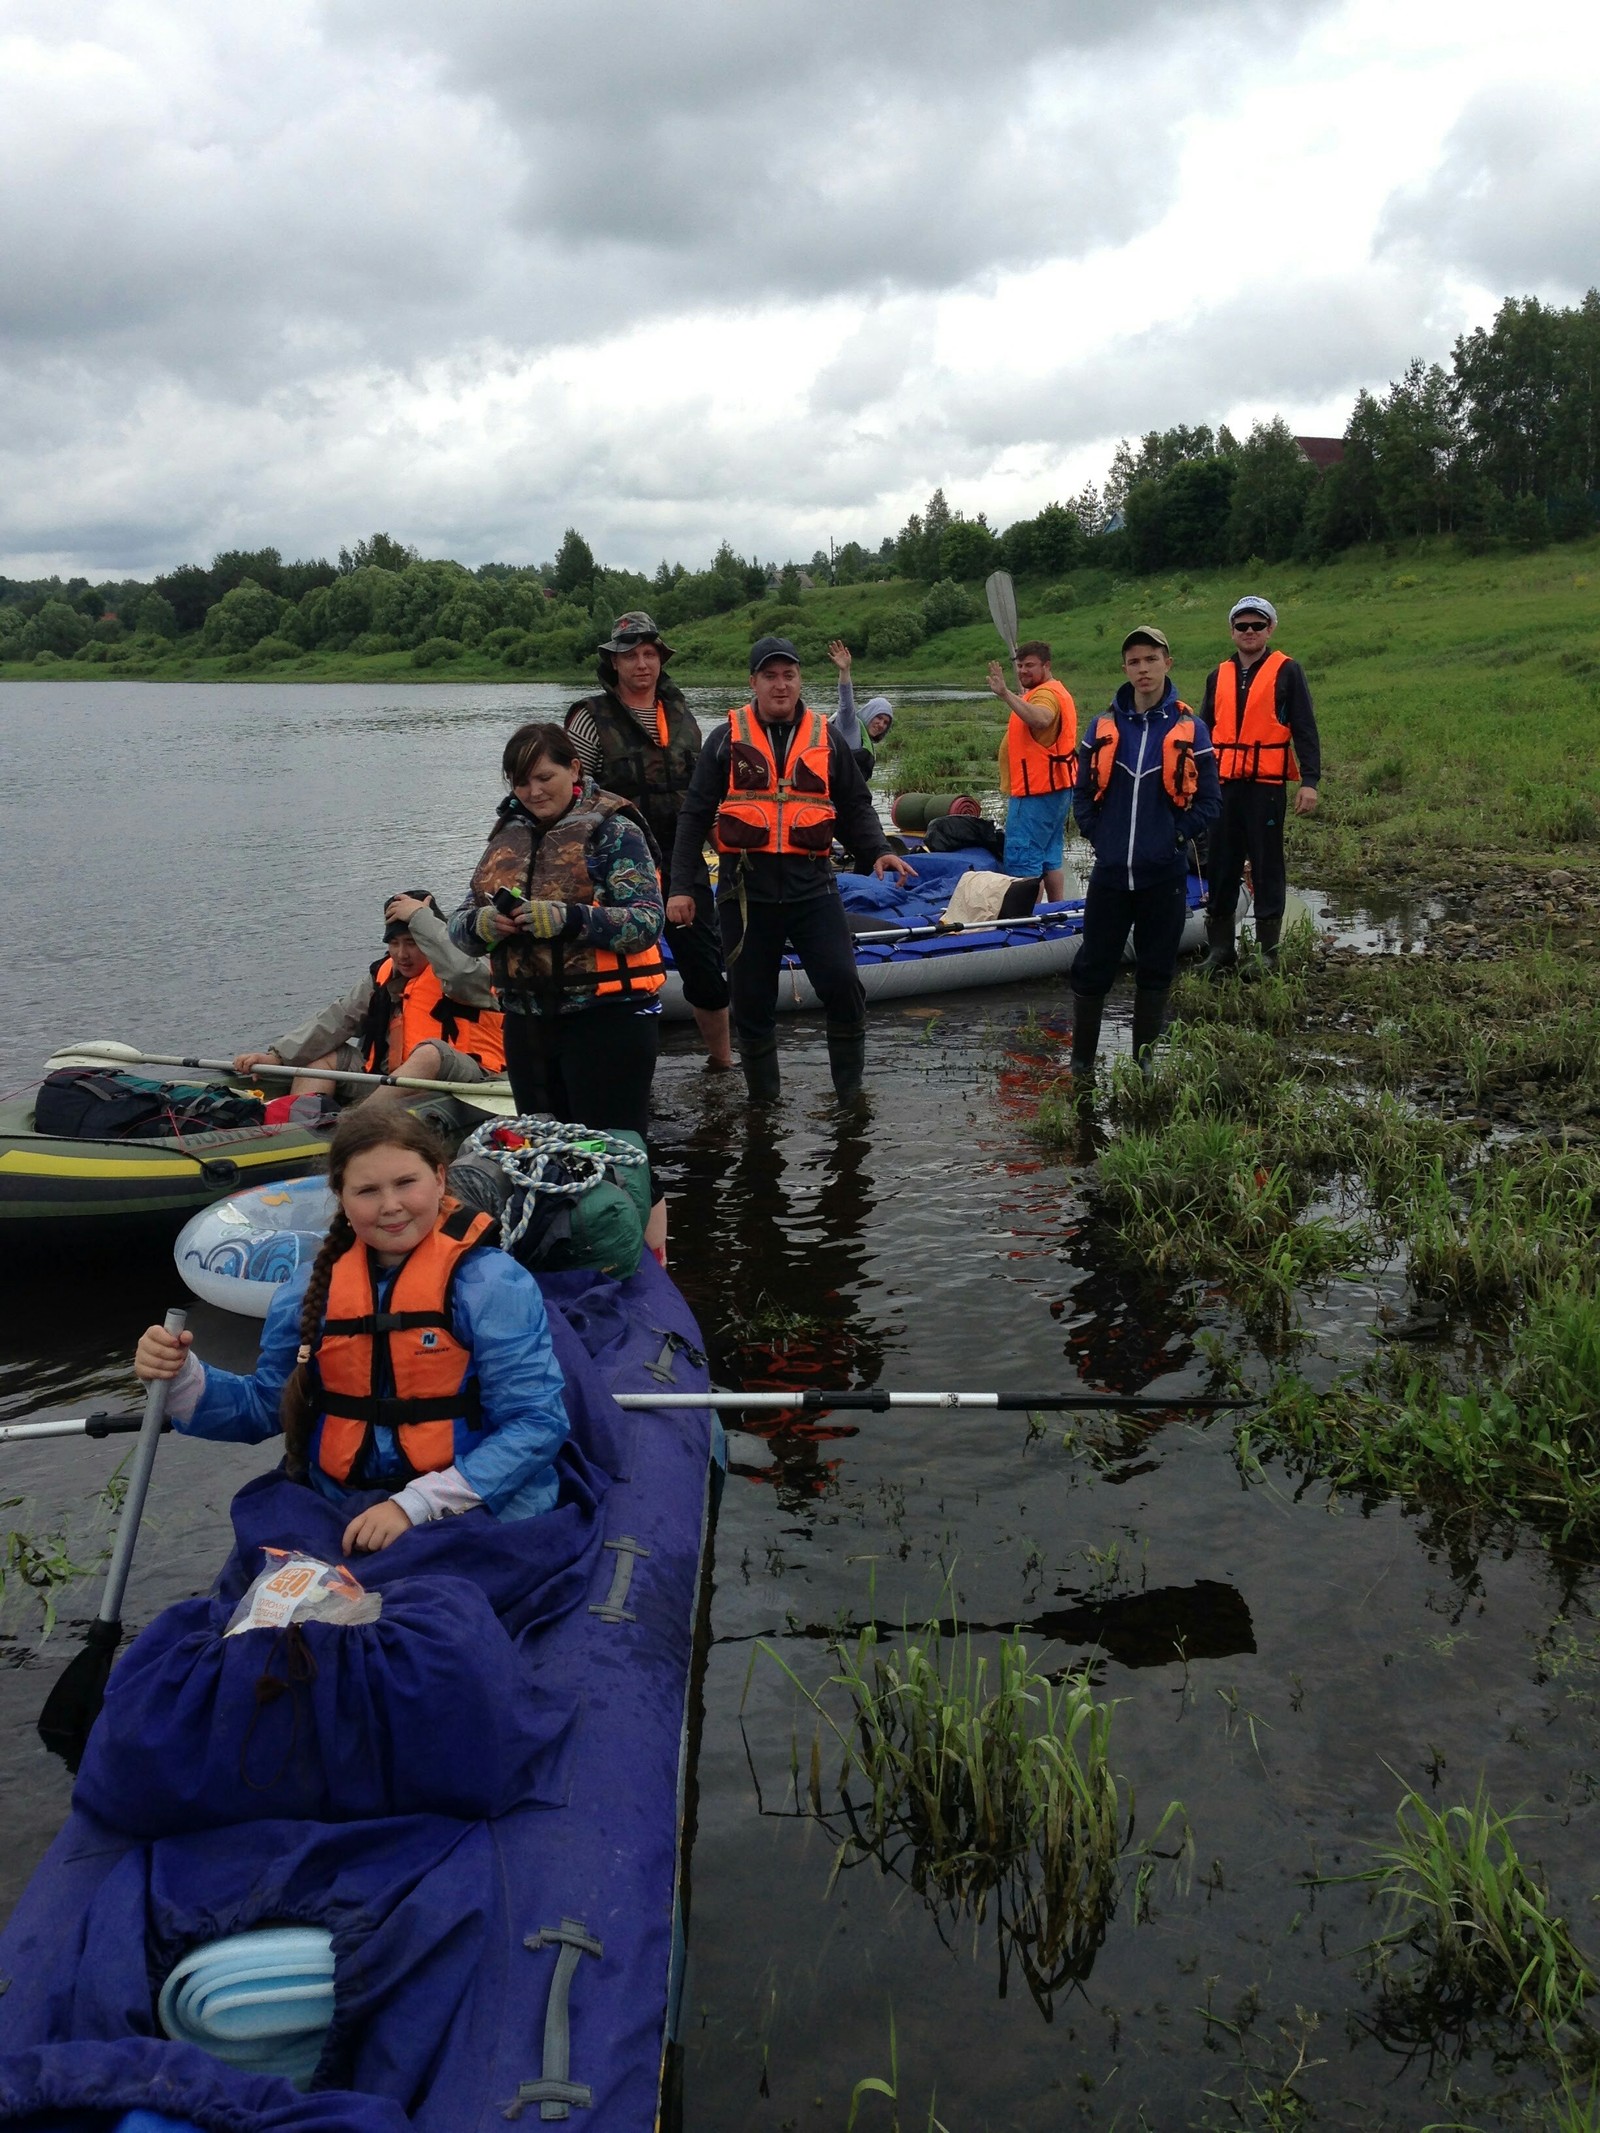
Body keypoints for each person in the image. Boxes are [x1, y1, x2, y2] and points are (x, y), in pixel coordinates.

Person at [132, 1106, 571, 1554]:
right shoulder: (309, 1287)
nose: (391, 1206)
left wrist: (415, 1505)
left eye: (406, 1183)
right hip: (341, 1505)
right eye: (367, 1191)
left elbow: (535, 1422)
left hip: (473, 1507)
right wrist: (181, 1376)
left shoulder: (491, 1284)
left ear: (440, 1179)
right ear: (341, 1197)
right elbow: (266, 1407)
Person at [666, 635, 917, 1104]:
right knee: (752, 1002)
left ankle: (849, 1098)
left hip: (813, 889)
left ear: (800, 680)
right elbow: (694, 816)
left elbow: (854, 805)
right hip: (745, 894)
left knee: (843, 986)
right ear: (753, 683)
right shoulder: (725, 740)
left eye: (789, 675)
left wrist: (878, 849)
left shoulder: (826, 739)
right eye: (770, 676)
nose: (780, 686)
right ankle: (764, 1106)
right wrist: (681, 886)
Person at [449, 721, 668, 1253]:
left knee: (617, 1151)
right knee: (544, 1150)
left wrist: (568, 919)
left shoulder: (616, 831)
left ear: (574, 769)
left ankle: (650, 1263)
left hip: (608, 1019)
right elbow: (459, 923)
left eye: (544, 777)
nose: (533, 791)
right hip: (527, 1021)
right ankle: (573, 1252)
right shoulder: (505, 834)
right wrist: (482, 926)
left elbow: (645, 921)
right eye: (521, 782)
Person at [564, 612, 733, 1070]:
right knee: (615, 971)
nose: (642, 664)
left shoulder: (681, 713)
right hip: (615, 861)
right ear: (613, 663)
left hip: (682, 858)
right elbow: (571, 795)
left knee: (703, 964)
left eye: (650, 654)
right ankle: (613, 1066)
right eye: (631, 655)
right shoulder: (588, 718)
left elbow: (703, 789)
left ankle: (722, 1062)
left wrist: (723, 847)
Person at [1068, 627, 1221, 1085]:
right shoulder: (1100, 727)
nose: (1143, 669)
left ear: (1167, 664)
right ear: (1125, 669)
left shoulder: (1191, 729)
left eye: (1151, 659)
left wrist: (1175, 838)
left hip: (1164, 874)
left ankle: (1145, 1062)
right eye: (1134, 661)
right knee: (1093, 966)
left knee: (1156, 968)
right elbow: (1080, 795)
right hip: (1111, 875)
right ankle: (1081, 1066)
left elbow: (1211, 802)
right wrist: (1099, 836)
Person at [233, 892, 505, 1099]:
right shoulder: (383, 974)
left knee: (430, 1052)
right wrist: (279, 1057)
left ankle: (357, 1128)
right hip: (391, 1081)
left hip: (466, 1077)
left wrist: (421, 918)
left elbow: (460, 972)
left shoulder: (469, 968)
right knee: (323, 1058)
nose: (402, 954)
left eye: (412, 943)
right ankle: (296, 1129)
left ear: (429, 940)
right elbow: (339, 1018)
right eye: (394, 944)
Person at [1199, 595, 1321, 979]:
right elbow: (1203, 732)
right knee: (1219, 864)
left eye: (1257, 625)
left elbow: (1304, 727)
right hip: (1223, 786)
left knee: (1267, 866)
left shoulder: (1287, 671)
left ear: (1270, 629)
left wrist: (1310, 782)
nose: (1249, 632)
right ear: (1232, 631)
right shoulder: (1218, 675)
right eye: (1241, 626)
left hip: (1265, 787)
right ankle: (1221, 948)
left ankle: (1269, 951)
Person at [986, 639, 1078, 904]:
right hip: (1056, 790)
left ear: (1046, 666)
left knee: (1024, 859)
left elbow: (1042, 718)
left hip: (1035, 793)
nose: (1023, 671)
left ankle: (1029, 922)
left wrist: (1004, 693)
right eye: (1020, 666)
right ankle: (1057, 909)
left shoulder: (1046, 695)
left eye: (1030, 666)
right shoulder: (1053, 689)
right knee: (1049, 856)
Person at [825, 639, 895, 777]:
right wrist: (845, 670)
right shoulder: (850, 724)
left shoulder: (865, 739)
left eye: (886, 722)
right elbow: (846, 703)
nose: (881, 724)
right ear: (869, 713)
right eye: (879, 718)